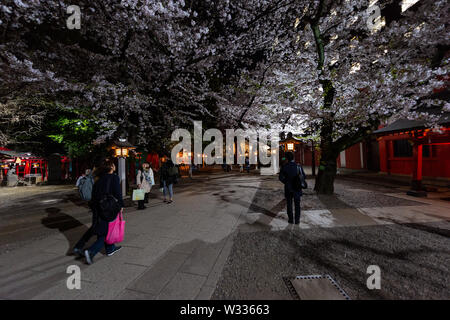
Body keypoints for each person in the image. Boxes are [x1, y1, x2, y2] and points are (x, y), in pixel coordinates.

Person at [72, 159, 123, 264]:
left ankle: (109, 248)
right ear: (111, 167)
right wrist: (121, 205)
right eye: (113, 165)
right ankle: (91, 251)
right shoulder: (113, 177)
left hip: (96, 206)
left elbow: (94, 193)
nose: (114, 166)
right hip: (107, 207)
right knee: (106, 230)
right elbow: (118, 193)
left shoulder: (98, 179)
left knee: (98, 227)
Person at [279, 152, 307, 225]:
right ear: (293, 158)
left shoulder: (284, 166)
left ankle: (290, 219)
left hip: (288, 188)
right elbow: (304, 176)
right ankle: (297, 220)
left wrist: (287, 182)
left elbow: (280, 178)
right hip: (297, 188)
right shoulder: (298, 166)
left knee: (289, 204)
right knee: (297, 205)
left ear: (287, 158)